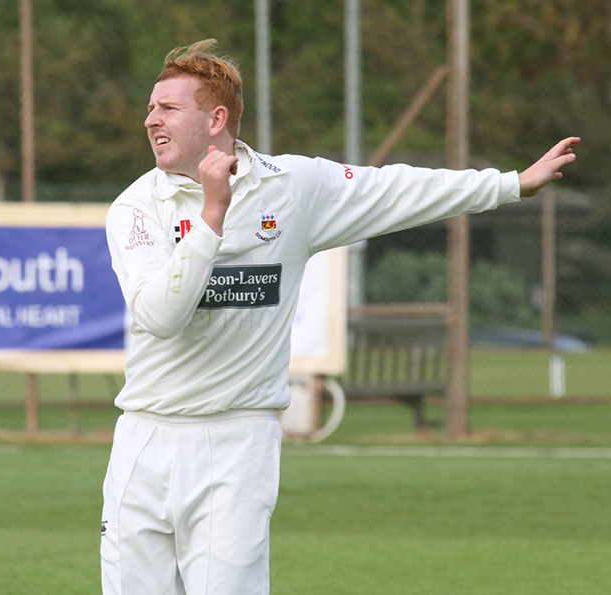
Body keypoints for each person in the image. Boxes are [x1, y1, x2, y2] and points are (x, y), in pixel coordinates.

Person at [102, 39, 579, 595]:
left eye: (167, 108)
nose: (149, 119)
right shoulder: (135, 209)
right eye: (152, 107)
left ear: (217, 119)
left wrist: (511, 184)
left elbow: (397, 189)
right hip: (145, 439)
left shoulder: (291, 186)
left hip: (238, 441)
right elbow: (161, 316)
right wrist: (214, 213)